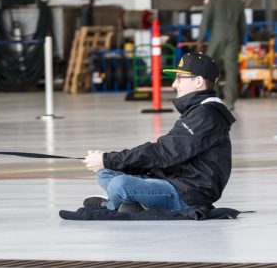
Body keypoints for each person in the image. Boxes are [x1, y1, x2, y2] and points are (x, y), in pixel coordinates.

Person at [82, 52, 235, 212]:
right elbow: (167, 155)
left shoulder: (206, 115)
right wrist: (109, 162)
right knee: (106, 173)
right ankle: (132, 203)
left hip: (188, 193)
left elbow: (163, 152)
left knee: (119, 184)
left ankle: (111, 205)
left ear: (198, 82)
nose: (174, 84)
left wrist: (108, 158)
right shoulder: (199, 110)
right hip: (172, 180)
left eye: (180, 78)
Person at [196, 0, 245, 110]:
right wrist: (240, 41)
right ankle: (230, 102)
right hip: (234, 35)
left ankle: (212, 99)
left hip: (218, 34)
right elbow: (243, 24)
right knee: (231, 69)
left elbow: (205, 20)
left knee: (209, 67)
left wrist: (200, 40)